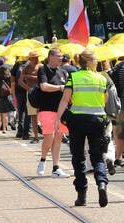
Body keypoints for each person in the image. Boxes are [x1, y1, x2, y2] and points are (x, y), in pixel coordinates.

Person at [55, 49, 110, 207]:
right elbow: (104, 100)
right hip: (97, 120)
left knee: (78, 157)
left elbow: (65, 100)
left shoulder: (74, 77)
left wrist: (58, 118)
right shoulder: (101, 78)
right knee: (97, 156)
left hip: (77, 119)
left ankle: (82, 194)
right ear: (91, 62)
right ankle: (101, 183)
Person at [36, 48, 70, 177]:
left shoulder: (63, 72)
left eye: (62, 56)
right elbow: (44, 87)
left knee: (58, 137)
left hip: (61, 110)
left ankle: (56, 168)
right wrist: (60, 88)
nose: (61, 58)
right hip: (46, 109)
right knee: (49, 136)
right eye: (59, 56)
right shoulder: (43, 69)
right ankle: (43, 159)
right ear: (51, 56)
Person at [18, 51, 42, 142]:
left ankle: (45, 134)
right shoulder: (26, 68)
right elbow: (20, 81)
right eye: (34, 58)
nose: (36, 59)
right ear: (30, 59)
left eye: (37, 57)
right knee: (33, 115)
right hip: (31, 93)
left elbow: (42, 78)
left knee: (43, 114)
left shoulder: (41, 67)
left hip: (41, 92)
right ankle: (35, 136)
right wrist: (29, 89)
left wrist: (29, 76)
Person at [0, 58, 15, 133]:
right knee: (5, 113)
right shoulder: (8, 70)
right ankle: (4, 129)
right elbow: (11, 81)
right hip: (6, 93)